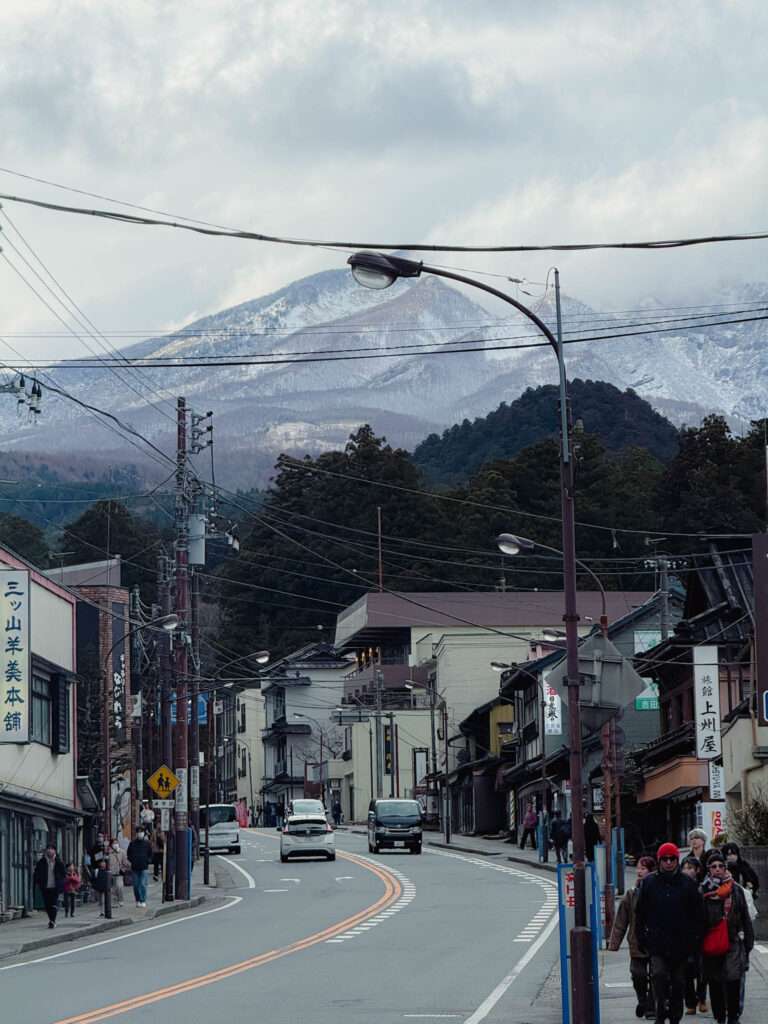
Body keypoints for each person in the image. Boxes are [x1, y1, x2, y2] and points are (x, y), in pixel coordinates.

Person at [636, 842, 704, 1024]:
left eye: (672, 859)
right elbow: (640, 912)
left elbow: (697, 915)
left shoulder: (687, 884)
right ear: (659, 860)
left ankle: (675, 1015)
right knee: (658, 975)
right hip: (657, 942)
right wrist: (641, 937)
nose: (668, 862)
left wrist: (694, 942)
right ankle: (659, 1008)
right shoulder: (649, 883)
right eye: (665, 859)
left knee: (679, 982)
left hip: (681, 945)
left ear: (677, 860)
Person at [700, 849, 754, 1024]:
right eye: (713, 866)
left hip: (732, 941)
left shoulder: (735, 890)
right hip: (711, 942)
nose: (717, 869)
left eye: (720, 866)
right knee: (715, 981)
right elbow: (697, 919)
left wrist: (748, 943)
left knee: (733, 979)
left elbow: (745, 917)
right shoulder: (703, 891)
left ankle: (733, 1016)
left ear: (725, 868)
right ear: (709, 869)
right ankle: (720, 1016)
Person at [609, 855, 657, 1019]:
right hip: (636, 940)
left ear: (652, 871)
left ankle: (651, 1006)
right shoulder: (631, 894)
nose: (639, 871)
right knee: (638, 974)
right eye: (638, 868)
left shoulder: (658, 891)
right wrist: (614, 943)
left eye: (643, 868)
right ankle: (642, 1000)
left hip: (657, 941)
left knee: (658, 974)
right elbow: (621, 920)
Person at [681, 855, 708, 1015]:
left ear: (697, 870)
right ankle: (690, 1002)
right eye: (685, 867)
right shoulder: (678, 886)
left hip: (702, 933)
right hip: (683, 935)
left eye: (690, 868)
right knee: (687, 970)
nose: (687, 871)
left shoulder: (703, 887)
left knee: (702, 969)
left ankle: (702, 998)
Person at [33, 844, 66, 929]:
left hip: (55, 886)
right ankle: (51, 919)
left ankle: (52, 921)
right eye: (48, 849)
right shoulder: (42, 862)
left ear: (55, 851)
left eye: (51, 849)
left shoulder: (59, 862)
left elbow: (63, 874)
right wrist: (38, 882)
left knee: (54, 904)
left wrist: (61, 884)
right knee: (47, 905)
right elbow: (36, 873)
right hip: (45, 886)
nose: (50, 850)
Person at [127, 828, 152, 907]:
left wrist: (148, 861)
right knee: (135, 885)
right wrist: (133, 860)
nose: (140, 834)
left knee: (142, 884)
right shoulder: (132, 843)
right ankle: (137, 900)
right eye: (138, 832)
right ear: (136, 833)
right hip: (135, 867)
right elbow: (129, 854)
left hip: (144, 866)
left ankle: (143, 900)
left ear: (144, 833)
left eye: (141, 832)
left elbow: (150, 854)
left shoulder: (147, 843)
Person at [108, 839, 129, 908]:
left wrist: (123, 868)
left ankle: (120, 900)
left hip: (119, 872)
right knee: (112, 888)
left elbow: (125, 863)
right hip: (111, 873)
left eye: (116, 843)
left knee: (119, 886)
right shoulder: (109, 853)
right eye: (114, 843)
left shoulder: (122, 852)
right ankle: (114, 902)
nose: (115, 844)